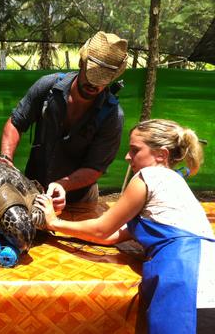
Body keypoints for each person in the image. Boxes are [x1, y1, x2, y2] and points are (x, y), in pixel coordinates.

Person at [34, 119, 215, 333]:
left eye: (135, 150)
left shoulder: (149, 175)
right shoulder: (173, 184)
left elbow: (102, 229)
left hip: (186, 280)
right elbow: (109, 236)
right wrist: (56, 227)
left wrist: (54, 221)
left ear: (162, 155)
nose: (128, 157)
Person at [0, 31, 128, 210]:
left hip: (79, 199)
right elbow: (16, 122)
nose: (94, 85)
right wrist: (6, 158)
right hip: (33, 190)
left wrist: (63, 185)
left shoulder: (112, 116)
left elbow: (95, 168)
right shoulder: (48, 86)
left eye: (102, 80)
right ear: (81, 63)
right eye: (91, 75)